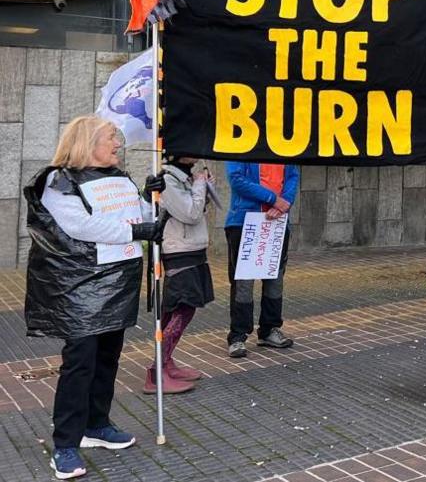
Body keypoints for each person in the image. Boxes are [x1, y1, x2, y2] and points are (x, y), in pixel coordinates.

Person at [23, 116, 166, 480]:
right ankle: (66, 445)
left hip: (117, 285)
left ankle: (97, 424)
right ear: (87, 142)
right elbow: (80, 226)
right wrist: (137, 229)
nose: (118, 145)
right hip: (79, 289)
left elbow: (141, 217)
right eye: (111, 139)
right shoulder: (59, 181)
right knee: (80, 362)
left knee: (107, 358)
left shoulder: (120, 178)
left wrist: (152, 199)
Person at [142, 155, 216, 394]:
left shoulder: (182, 176)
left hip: (191, 247)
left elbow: (196, 209)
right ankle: (156, 372)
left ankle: (166, 362)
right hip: (179, 250)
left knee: (174, 308)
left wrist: (201, 184)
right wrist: (200, 184)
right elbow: (191, 213)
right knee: (183, 307)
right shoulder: (167, 179)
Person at [225, 162, 300, 358]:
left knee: (275, 278)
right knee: (243, 282)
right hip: (244, 220)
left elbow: (292, 176)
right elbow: (236, 179)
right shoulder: (241, 141)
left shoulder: (284, 145)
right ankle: (238, 336)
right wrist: (273, 199)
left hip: (278, 221)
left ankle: (269, 329)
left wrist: (285, 202)